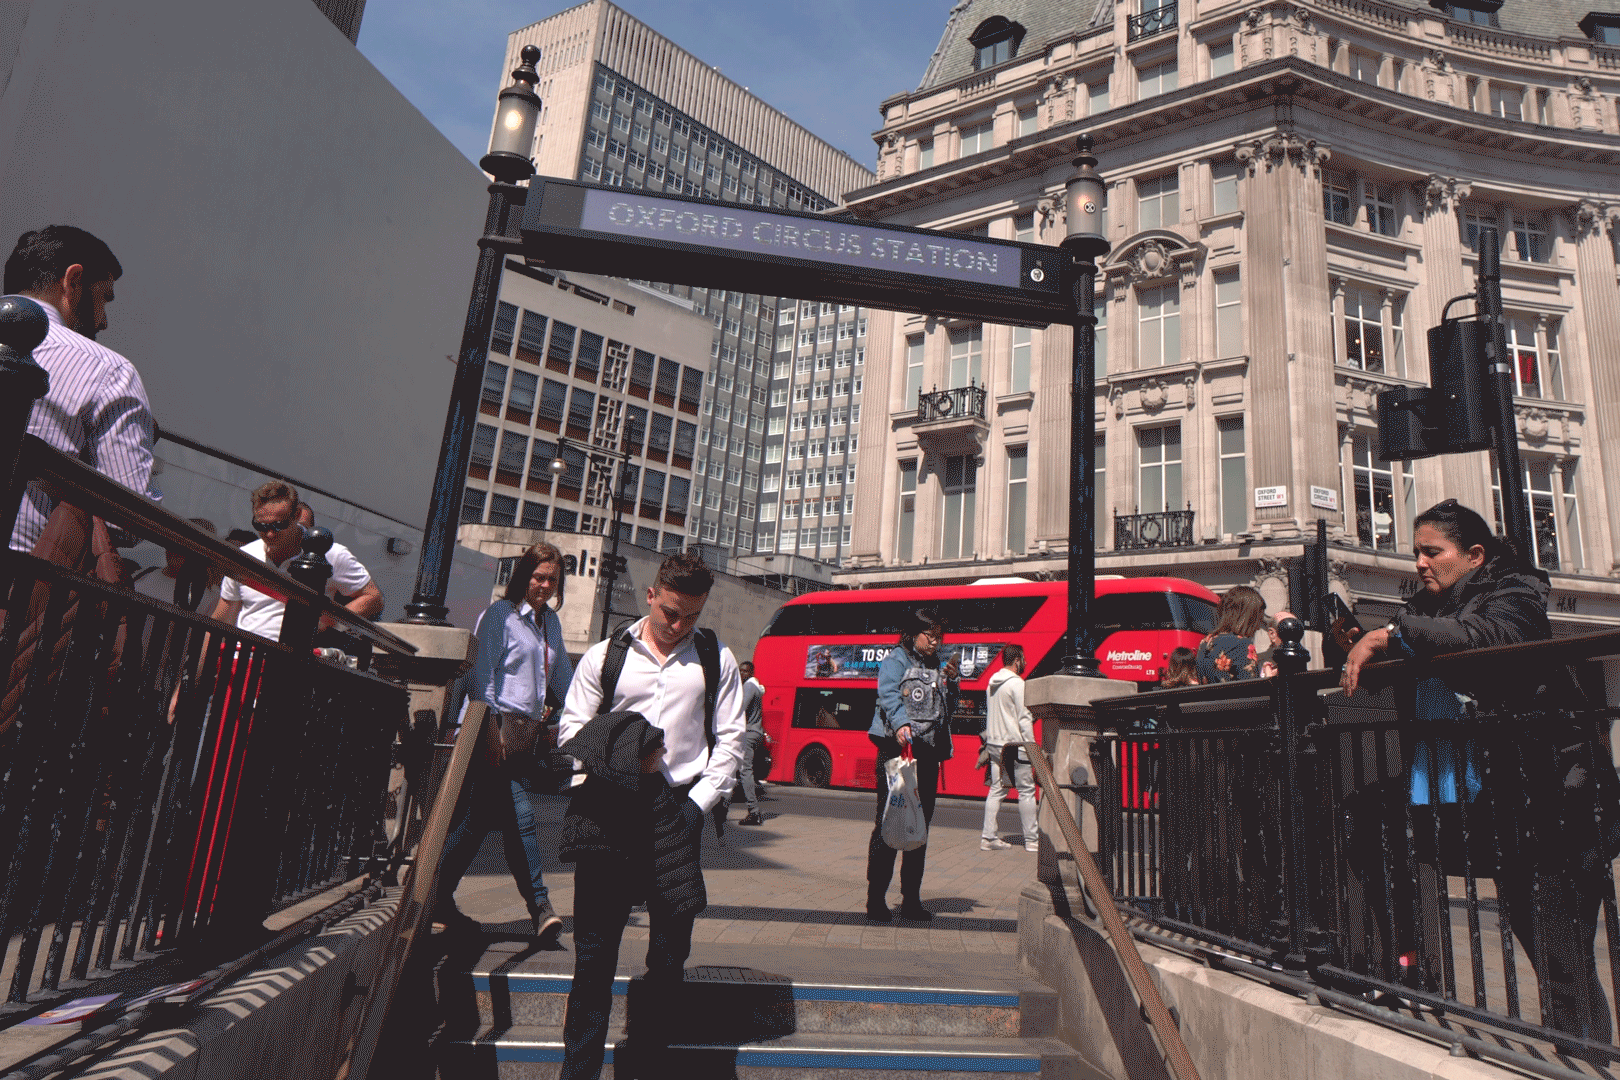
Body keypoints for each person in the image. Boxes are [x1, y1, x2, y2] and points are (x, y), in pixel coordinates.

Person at [1340, 499, 1620, 1042]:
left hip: (1561, 801)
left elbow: (1489, 639)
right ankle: (1575, 1050)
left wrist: (1393, 635)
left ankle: (1584, 1056)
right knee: (1555, 956)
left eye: (1431, 552)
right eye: (1415, 553)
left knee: (1561, 959)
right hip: (1515, 799)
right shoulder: (1438, 606)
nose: (1419, 563)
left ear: (1473, 554)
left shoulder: (1515, 595)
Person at [554, 551, 745, 1080]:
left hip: (675, 816)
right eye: (670, 613)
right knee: (593, 961)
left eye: (691, 615)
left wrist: (695, 807)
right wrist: (623, 752)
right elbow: (570, 732)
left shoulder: (715, 658)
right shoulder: (604, 656)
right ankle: (578, 1074)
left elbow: (730, 742)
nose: (678, 625)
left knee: (667, 959)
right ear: (651, 596)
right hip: (608, 817)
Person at [435, 542, 575, 943]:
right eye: (538, 577)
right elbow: (484, 675)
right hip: (491, 733)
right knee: (521, 817)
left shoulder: (550, 624)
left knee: (476, 822)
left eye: (552, 579)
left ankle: (434, 894)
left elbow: (563, 678)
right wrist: (491, 730)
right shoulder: (501, 615)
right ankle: (540, 908)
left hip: (522, 739)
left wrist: (570, 713)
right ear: (523, 576)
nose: (545, 586)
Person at [4, 226, 156, 554]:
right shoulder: (109, 371)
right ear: (73, 281)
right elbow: (126, 520)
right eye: (104, 298)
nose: (103, 321)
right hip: (15, 583)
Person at [865, 607, 958, 922]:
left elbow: (946, 709)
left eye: (939, 637)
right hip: (897, 750)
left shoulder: (935, 664)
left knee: (919, 827)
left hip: (927, 754)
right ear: (913, 633)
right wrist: (902, 723)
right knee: (889, 824)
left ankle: (911, 900)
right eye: (929, 636)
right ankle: (876, 899)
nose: (935, 643)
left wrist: (953, 684)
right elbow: (888, 695)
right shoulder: (896, 660)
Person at [212, 480, 383, 638]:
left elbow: (373, 597)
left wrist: (325, 623)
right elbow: (220, 620)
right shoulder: (245, 555)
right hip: (243, 657)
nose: (270, 533)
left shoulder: (330, 552)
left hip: (294, 658)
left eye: (279, 525)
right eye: (261, 526)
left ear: (296, 516)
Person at [981, 644, 1038, 852]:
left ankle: (988, 837)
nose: (1025, 663)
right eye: (1023, 659)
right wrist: (1032, 747)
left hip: (995, 745)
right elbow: (1024, 719)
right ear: (1017, 660)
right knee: (1026, 791)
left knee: (997, 789)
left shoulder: (991, 683)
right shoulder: (1017, 684)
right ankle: (1032, 840)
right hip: (1014, 745)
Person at [1194, 585, 1269, 683]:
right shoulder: (1243, 645)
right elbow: (1251, 688)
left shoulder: (1205, 641)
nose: (1258, 627)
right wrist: (1269, 678)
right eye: (1258, 620)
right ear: (1247, 618)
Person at [736, 660, 768, 826]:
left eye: (746, 671)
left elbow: (740, 709)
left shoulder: (749, 686)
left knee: (745, 771)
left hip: (748, 734)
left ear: (752, 673)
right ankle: (722, 808)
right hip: (755, 733)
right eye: (740, 671)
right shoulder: (754, 687)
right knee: (736, 769)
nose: (742, 674)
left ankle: (754, 812)